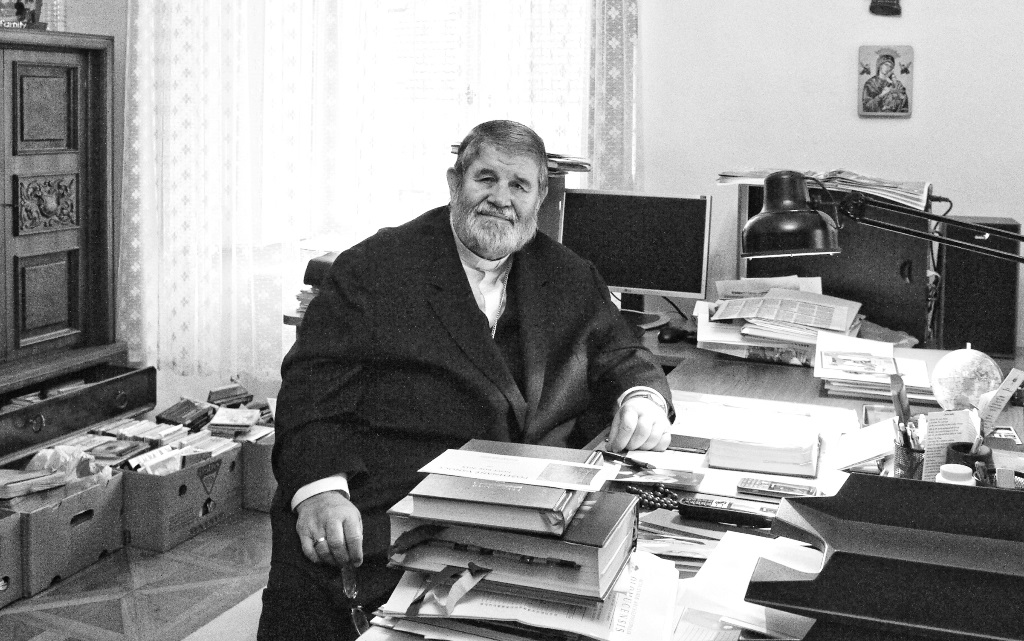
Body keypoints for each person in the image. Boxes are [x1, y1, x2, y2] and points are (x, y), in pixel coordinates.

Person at [257, 120, 674, 641]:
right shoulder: (374, 267)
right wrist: (321, 491)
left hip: (532, 521)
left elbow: (622, 351)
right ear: (455, 183)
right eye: (486, 179)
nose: (501, 198)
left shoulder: (569, 273)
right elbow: (310, 392)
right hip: (401, 510)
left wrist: (642, 397)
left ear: (540, 198)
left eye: (519, 185)